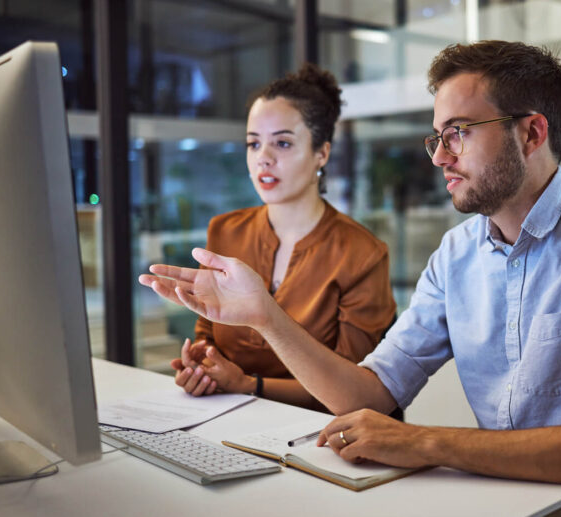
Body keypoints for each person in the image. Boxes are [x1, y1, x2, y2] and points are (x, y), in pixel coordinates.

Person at [140, 41, 561, 516]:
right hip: (501, 504)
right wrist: (262, 313)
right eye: (437, 137)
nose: (440, 158)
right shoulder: (456, 254)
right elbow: (369, 392)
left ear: (531, 133)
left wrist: (425, 440)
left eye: (458, 134)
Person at [167, 63, 396, 412]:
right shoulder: (225, 231)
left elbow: (355, 387)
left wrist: (247, 385)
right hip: (226, 421)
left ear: (322, 153)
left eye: (283, 143)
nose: (264, 158)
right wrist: (204, 364)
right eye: (253, 144)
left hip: (317, 437)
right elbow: (208, 333)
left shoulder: (362, 253)